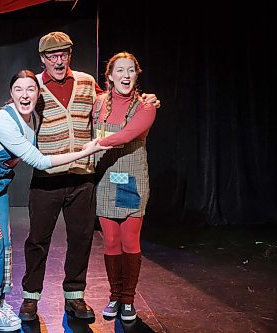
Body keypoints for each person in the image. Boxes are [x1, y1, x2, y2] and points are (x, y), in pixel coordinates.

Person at [0, 32, 160, 322]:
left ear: (70, 55)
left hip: (82, 177)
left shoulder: (87, 82)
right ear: (42, 59)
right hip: (47, 178)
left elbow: (114, 98)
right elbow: (12, 107)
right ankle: (30, 297)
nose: (58, 60)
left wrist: (145, 96)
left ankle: (74, 296)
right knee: (37, 240)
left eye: (63, 54)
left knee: (81, 239)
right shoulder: (34, 86)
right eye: (52, 56)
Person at [0, 69, 108, 332]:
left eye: (30, 89)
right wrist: (87, 151)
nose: (25, 95)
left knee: (4, 242)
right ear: (11, 94)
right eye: (18, 90)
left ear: (39, 93)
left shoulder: (33, 117)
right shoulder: (4, 120)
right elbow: (39, 161)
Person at [91, 51, 156, 322]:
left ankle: (128, 299)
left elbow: (128, 134)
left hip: (128, 180)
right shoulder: (98, 104)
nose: (125, 75)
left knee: (129, 241)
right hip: (106, 177)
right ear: (109, 76)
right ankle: (115, 296)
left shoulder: (146, 106)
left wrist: (97, 144)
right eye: (120, 70)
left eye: (131, 70)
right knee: (111, 242)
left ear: (136, 74)